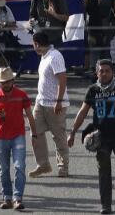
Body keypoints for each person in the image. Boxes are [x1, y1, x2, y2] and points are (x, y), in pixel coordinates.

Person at [68, 59, 115, 215]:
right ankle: (106, 205)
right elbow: (83, 112)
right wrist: (72, 132)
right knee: (103, 171)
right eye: (101, 71)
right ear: (96, 73)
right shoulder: (93, 90)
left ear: (112, 72)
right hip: (101, 138)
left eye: (107, 70)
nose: (104, 73)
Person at [0, 67, 38, 211]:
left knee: (19, 167)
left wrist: (34, 135)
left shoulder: (21, 94)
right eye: (2, 82)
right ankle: (7, 198)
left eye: (7, 81)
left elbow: (30, 115)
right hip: (1, 136)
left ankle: (17, 198)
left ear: (12, 81)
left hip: (18, 136)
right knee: (3, 169)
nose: (5, 84)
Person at [29, 32, 70, 178]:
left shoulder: (55, 56)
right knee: (35, 133)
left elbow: (62, 80)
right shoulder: (44, 56)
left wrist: (59, 101)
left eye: (33, 44)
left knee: (58, 136)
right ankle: (43, 164)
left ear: (37, 43)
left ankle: (63, 167)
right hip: (40, 102)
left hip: (55, 104)